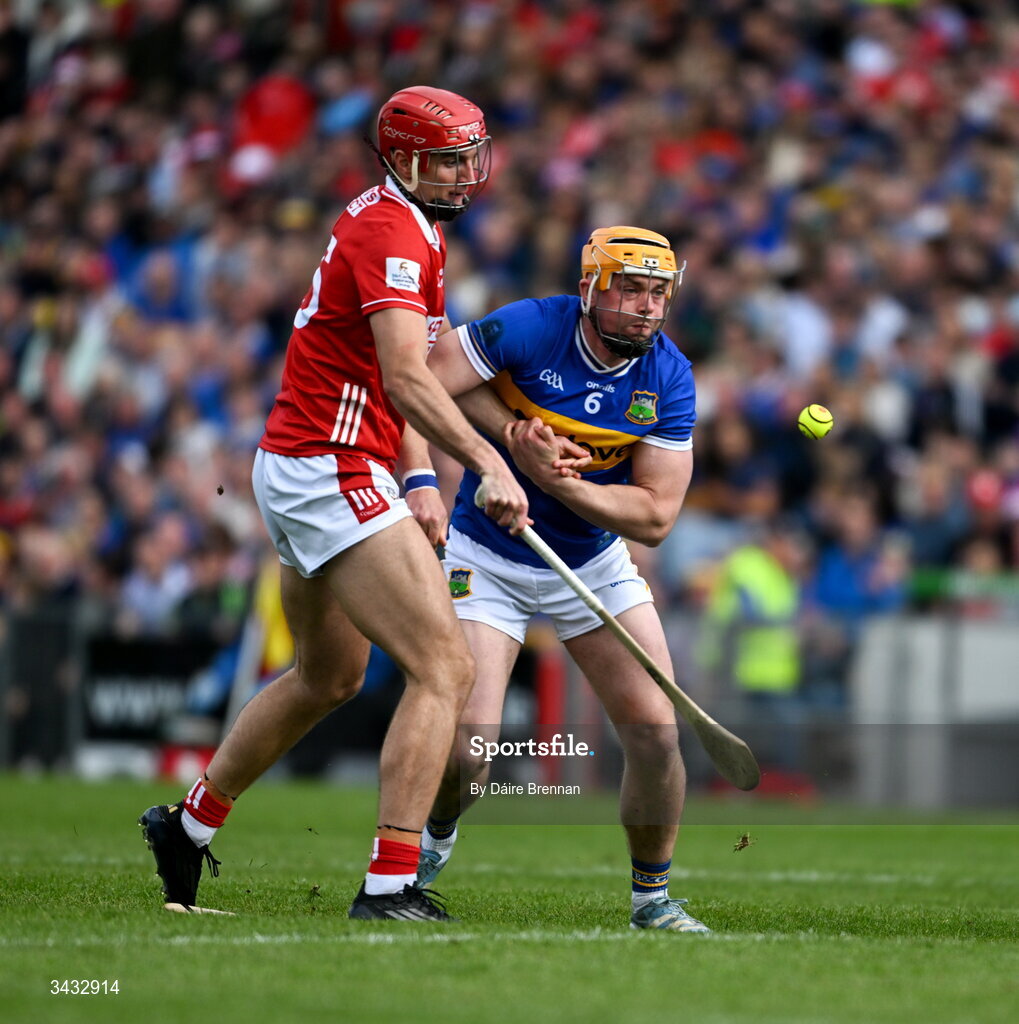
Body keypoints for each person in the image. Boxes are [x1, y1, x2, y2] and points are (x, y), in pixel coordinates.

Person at [138, 86, 533, 923]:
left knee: (327, 676)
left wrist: (422, 479)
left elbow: (407, 377)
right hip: (330, 467)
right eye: (447, 159)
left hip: (302, 462)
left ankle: (188, 826)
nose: (466, 173)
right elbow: (404, 377)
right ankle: (390, 885)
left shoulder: (410, 225)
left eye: (471, 155)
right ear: (400, 159)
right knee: (445, 666)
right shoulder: (394, 232)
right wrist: (484, 462)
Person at [412, 226, 711, 931]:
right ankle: (435, 834)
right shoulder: (529, 327)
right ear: (590, 288)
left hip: (592, 563)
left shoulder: (667, 375)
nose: (645, 307)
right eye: (630, 289)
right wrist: (505, 438)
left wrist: (558, 483)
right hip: (486, 556)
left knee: (655, 734)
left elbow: (655, 515)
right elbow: (422, 380)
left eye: (657, 293)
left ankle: (652, 899)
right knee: (468, 752)